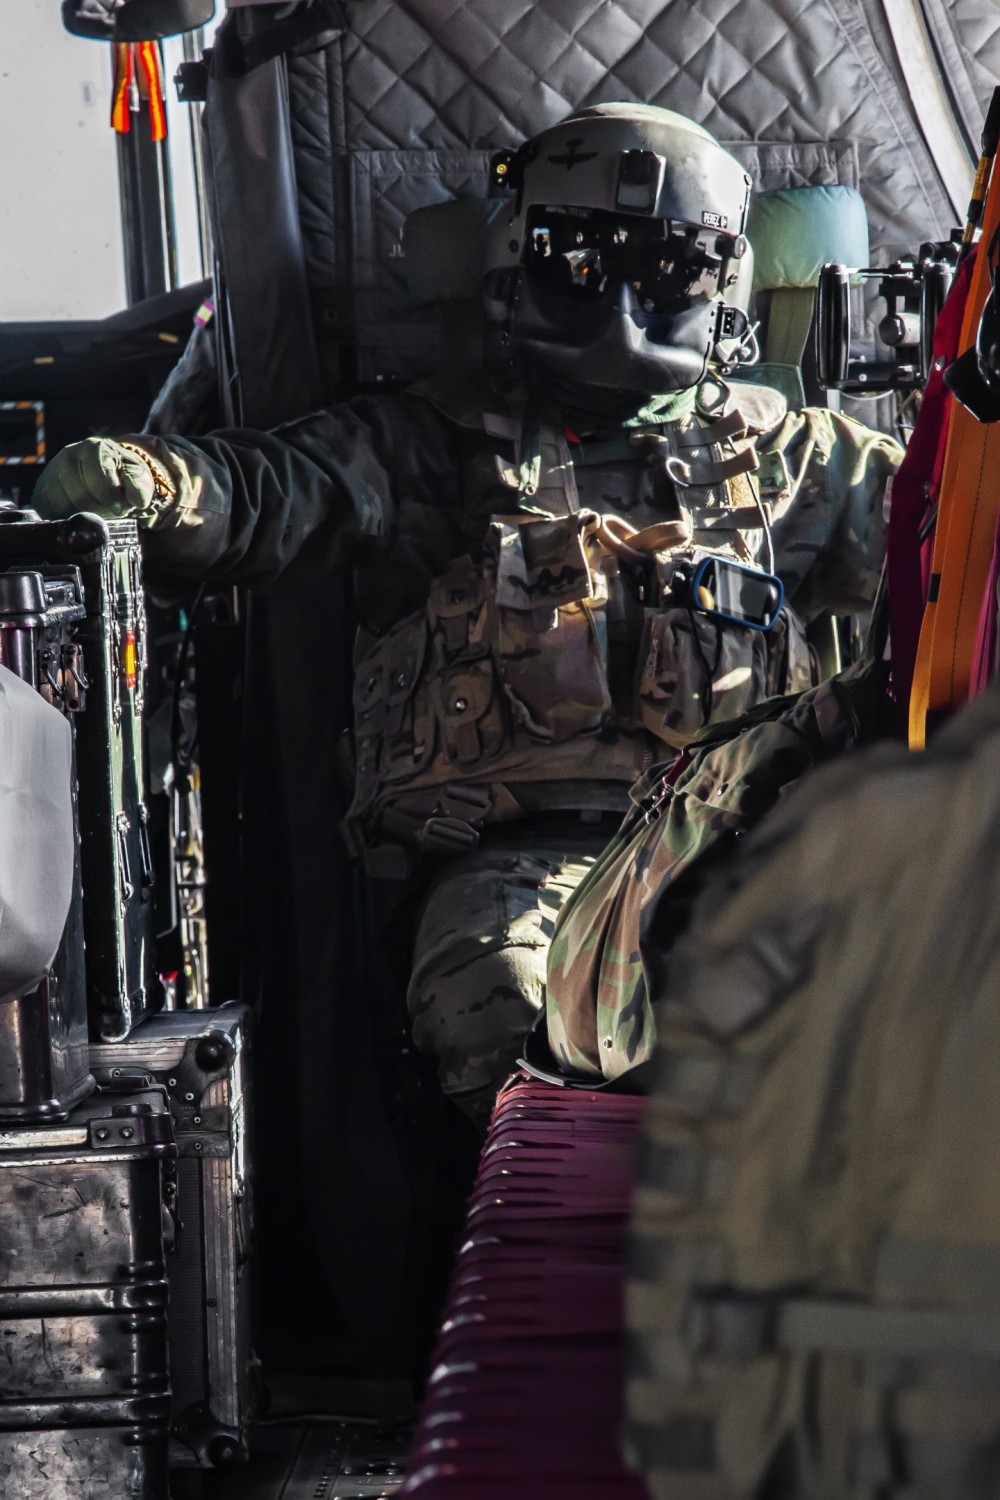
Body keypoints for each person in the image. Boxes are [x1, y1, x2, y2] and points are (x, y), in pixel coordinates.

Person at [34, 103, 900, 1129]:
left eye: (671, 267)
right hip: (517, 866)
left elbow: (951, 536)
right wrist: (157, 484)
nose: (623, 298)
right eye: (580, 258)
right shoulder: (433, 446)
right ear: (510, 263)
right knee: (508, 1016)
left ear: (729, 282)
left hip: (753, 850)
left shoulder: (805, 462)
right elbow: (270, 490)